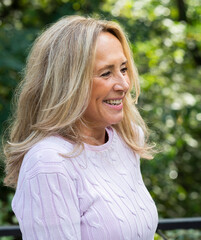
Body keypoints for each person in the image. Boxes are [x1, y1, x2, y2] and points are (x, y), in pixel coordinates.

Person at [3, 15, 158, 239]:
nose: (124, 84)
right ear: (68, 83)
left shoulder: (127, 139)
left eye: (123, 69)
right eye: (106, 73)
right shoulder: (49, 162)